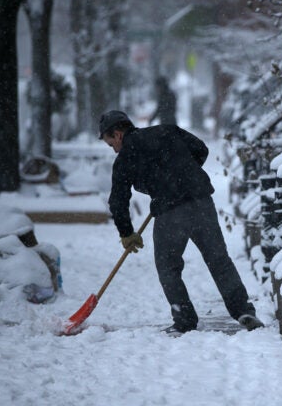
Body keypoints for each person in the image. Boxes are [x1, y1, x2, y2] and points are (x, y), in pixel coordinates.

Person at [98, 110, 264, 334]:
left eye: (111, 144)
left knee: (168, 267)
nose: (114, 149)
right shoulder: (166, 130)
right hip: (200, 201)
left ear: (118, 134)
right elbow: (201, 149)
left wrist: (126, 233)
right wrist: (186, 174)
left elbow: (118, 201)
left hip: (170, 213)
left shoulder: (125, 158)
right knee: (218, 259)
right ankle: (243, 310)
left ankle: (184, 318)